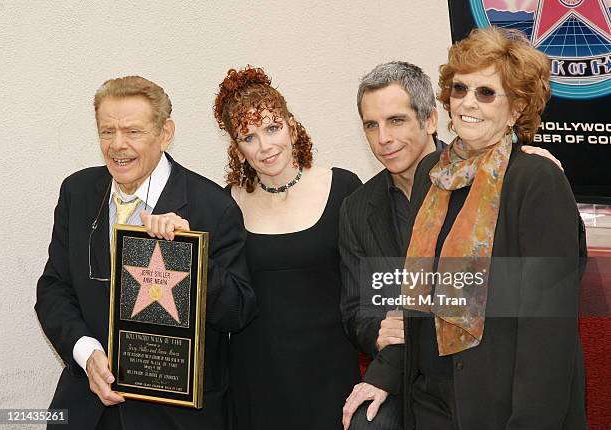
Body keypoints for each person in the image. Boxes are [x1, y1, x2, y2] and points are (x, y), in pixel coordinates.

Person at [342, 28, 586, 430]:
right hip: (432, 401)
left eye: (486, 93)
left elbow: (548, 334)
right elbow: (417, 295)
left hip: (507, 405)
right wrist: (383, 377)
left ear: (517, 107)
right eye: (460, 89)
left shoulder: (536, 179)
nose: (468, 103)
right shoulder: (431, 175)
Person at [35, 76, 256, 429]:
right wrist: (86, 353)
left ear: (165, 133)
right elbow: (54, 289)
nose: (117, 145)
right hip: (88, 410)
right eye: (107, 131)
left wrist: (189, 255)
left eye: (133, 132)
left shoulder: (213, 205)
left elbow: (238, 312)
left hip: (176, 417)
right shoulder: (77, 192)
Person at [214, 66, 362, 430]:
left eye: (272, 128)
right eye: (248, 136)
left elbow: (371, 283)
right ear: (237, 147)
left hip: (333, 376)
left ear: (291, 125)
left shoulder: (343, 188)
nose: (265, 146)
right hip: (256, 382)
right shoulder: (224, 206)